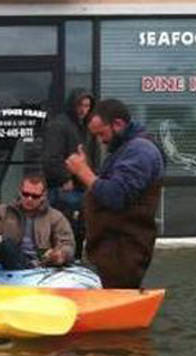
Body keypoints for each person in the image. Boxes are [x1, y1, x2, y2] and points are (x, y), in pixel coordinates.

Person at [65, 98, 164, 288]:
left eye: (102, 133)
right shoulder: (125, 149)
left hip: (123, 252)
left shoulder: (140, 151)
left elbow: (115, 196)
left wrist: (83, 171)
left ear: (118, 124)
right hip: (112, 250)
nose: (101, 140)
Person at [42, 88, 99, 259]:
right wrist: (64, 177)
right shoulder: (60, 125)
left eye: (87, 106)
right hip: (65, 188)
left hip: (82, 187)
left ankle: (74, 262)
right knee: (65, 231)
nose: (83, 110)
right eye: (80, 105)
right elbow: (50, 158)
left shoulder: (85, 127)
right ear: (72, 105)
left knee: (79, 230)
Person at [0, 173, 75, 271]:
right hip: (10, 260)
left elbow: (67, 243)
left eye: (35, 196)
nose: (29, 199)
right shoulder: (2, 211)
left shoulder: (55, 217)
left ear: (43, 196)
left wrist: (59, 254)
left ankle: (29, 267)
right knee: (6, 245)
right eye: (25, 194)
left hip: (43, 263)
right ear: (19, 192)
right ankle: (26, 266)